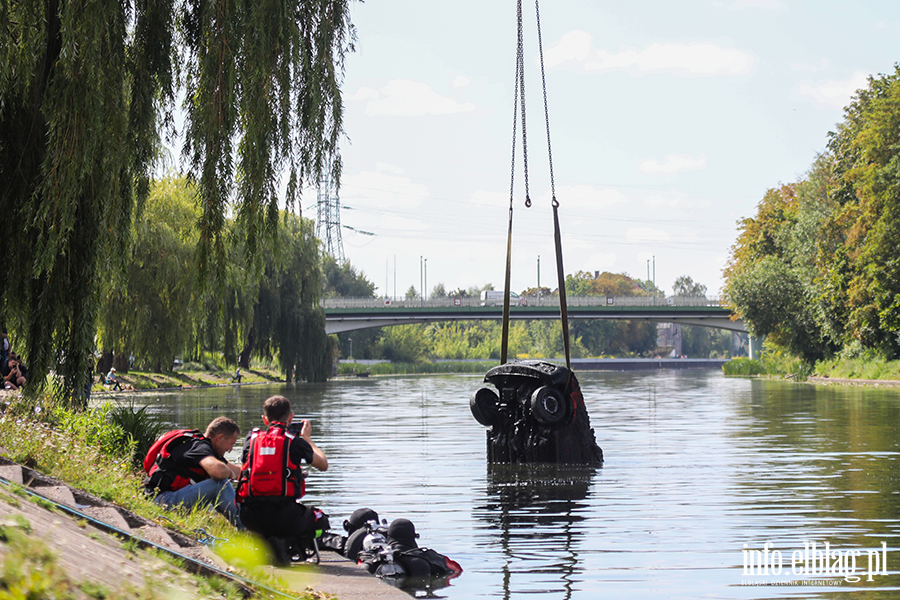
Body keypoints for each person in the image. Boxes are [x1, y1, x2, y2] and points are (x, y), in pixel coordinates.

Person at [238, 395, 328, 554]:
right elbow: (323, 464)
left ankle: (265, 542)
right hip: (284, 516)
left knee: (266, 523)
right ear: (290, 417)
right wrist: (307, 439)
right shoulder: (294, 441)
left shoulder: (250, 440)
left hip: (250, 516)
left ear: (265, 420)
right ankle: (286, 543)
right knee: (321, 520)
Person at [144, 416, 243, 527]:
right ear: (220, 438)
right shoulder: (198, 447)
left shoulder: (207, 451)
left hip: (168, 498)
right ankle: (250, 532)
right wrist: (228, 473)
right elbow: (218, 471)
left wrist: (261, 474)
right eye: (231, 444)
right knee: (219, 484)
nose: (231, 449)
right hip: (162, 501)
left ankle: (250, 526)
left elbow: (238, 472)